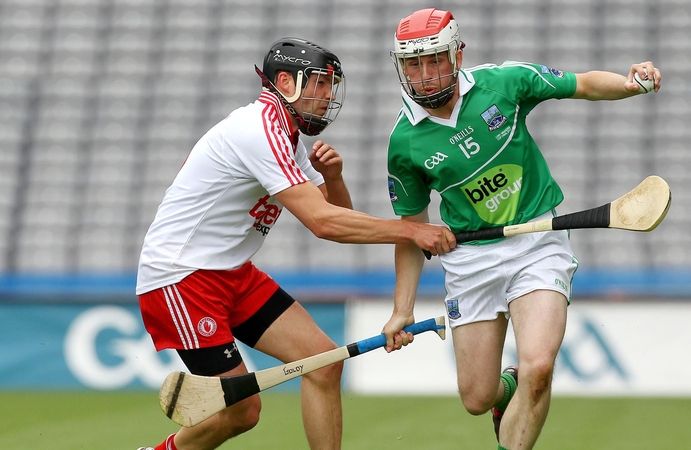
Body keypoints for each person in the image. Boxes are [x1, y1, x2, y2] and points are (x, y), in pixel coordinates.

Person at [135, 37, 455, 450]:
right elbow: (323, 224)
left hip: (233, 275)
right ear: (285, 81)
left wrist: (334, 179)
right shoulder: (258, 130)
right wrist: (413, 230)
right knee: (242, 411)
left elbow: (339, 216)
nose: (327, 97)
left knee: (323, 364)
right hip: (181, 278)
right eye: (320, 84)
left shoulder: (289, 141)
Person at [380, 8, 661, 450]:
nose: (425, 75)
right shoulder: (404, 143)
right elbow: (411, 233)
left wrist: (629, 84)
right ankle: (504, 393)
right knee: (476, 397)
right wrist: (403, 308)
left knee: (539, 367)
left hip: (536, 242)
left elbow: (583, 83)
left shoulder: (504, 82)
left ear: (457, 55)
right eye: (413, 64)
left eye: (434, 59)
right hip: (471, 261)